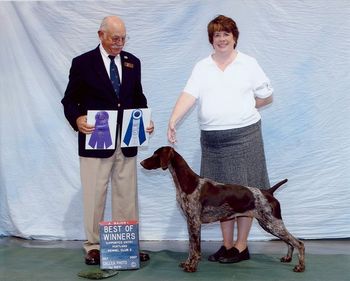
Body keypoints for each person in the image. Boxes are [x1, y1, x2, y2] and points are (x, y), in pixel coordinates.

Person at [167, 15, 273, 264]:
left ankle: (241, 246)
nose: (221, 39)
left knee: (245, 193)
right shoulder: (202, 66)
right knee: (220, 198)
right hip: (213, 143)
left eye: (226, 34)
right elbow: (188, 95)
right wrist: (173, 120)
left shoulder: (249, 63)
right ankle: (226, 246)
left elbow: (267, 96)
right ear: (211, 40)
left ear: (234, 37)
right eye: (217, 35)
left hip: (245, 138)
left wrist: (247, 105)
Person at [61, 15, 154, 265]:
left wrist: (144, 119)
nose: (119, 43)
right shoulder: (82, 63)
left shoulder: (133, 62)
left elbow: (138, 98)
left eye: (123, 38)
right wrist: (78, 119)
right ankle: (93, 246)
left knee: (127, 196)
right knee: (94, 195)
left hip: (126, 141)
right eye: (115, 38)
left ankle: (127, 244)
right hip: (96, 141)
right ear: (100, 35)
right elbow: (69, 100)